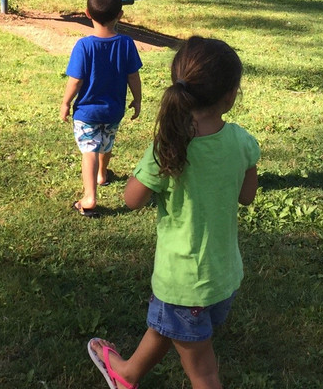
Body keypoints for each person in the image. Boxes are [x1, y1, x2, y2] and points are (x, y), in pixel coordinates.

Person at [88, 36, 260, 389]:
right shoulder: (242, 141)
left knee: (204, 375)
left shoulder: (168, 147)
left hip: (183, 283)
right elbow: (247, 196)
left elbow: (132, 200)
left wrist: (153, 168)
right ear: (230, 96)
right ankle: (127, 375)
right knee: (169, 327)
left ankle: (126, 375)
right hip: (223, 276)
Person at [60, 0, 142, 217]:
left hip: (87, 112)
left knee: (90, 150)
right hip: (114, 110)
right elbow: (133, 76)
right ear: (120, 15)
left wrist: (66, 103)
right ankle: (102, 174)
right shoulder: (126, 43)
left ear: (87, 13)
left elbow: (76, 80)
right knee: (106, 142)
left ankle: (90, 197)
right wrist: (137, 99)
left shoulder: (84, 46)